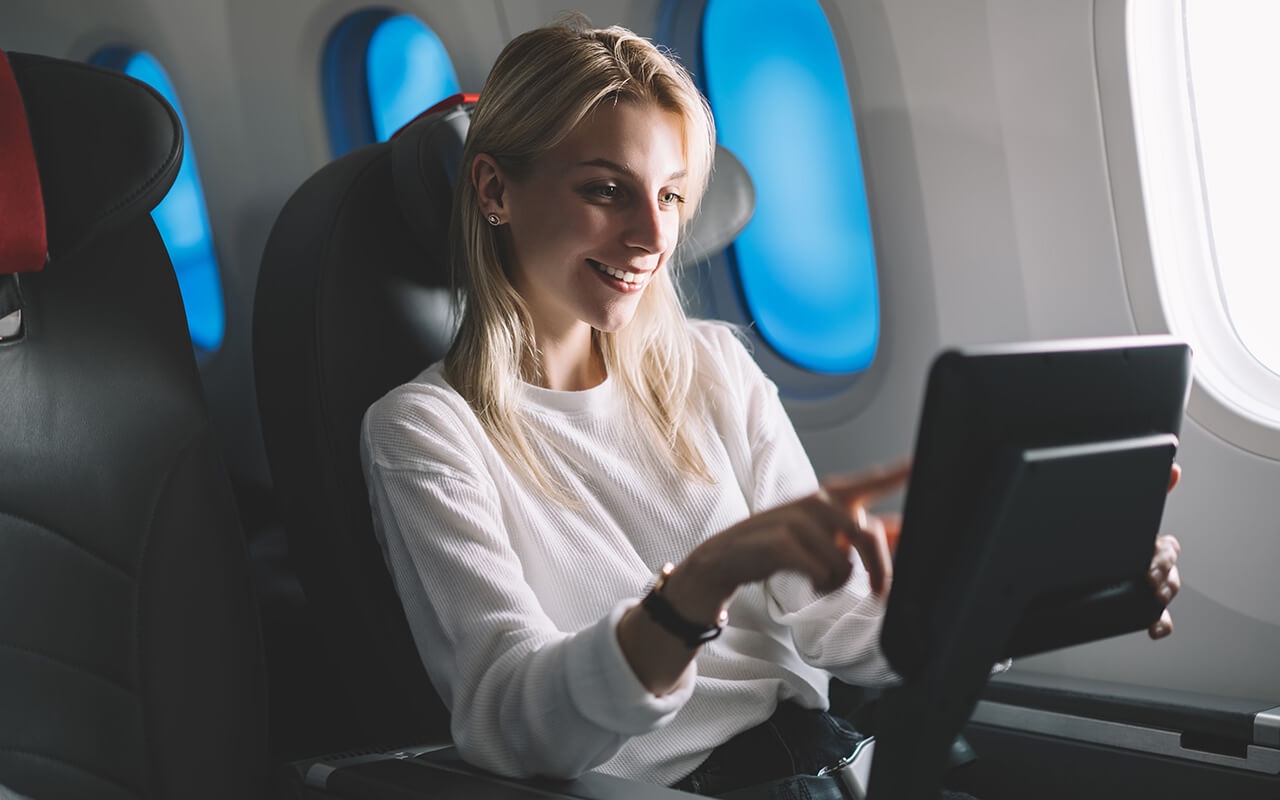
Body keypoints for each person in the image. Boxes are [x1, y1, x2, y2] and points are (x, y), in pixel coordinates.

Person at [359, 16, 1183, 799]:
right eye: (607, 190)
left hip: (830, 763)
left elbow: (843, 623)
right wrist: (702, 584)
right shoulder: (428, 431)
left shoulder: (714, 368)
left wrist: (1049, 584)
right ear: (495, 187)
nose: (652, 236)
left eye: (673, 196)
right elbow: (515, 722)